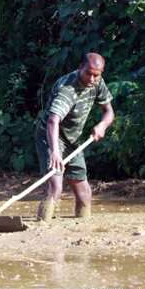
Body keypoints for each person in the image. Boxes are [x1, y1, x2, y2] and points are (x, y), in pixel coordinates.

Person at [35, 52, 115, 221]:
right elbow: (53, 121)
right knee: (55, 188)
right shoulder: (67, 89)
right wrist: (55, 152)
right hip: (52, 137)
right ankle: (41, 225)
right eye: (88, 74)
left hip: (73, 141)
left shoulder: (97, 82)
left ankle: (82, 225)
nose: (92, 79)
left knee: (85, 194)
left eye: (96, 75)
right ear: (80, 68)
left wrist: (102, 125)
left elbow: (109, 112)